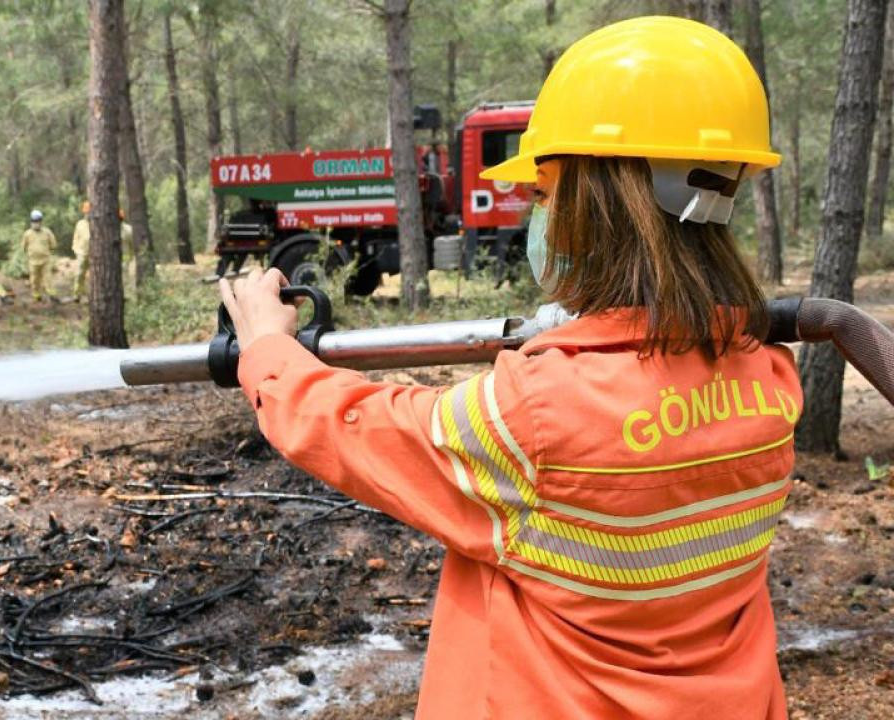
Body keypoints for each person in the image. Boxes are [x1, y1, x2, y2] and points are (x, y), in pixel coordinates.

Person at [219, 16, 802, 719]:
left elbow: (358, 428)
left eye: (547, 194)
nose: (537, 215)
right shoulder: (767, 379)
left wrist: (267, 349)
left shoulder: (534, 415)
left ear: (602, 200)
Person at [20, 209, 57, 303]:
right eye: (34, 221)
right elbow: (23, 247)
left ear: (41, 221)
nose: (36, 223)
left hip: (45, 260)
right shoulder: (27, 234)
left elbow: (53, 245)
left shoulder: (47, 232)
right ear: (31, 222)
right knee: (34, 280)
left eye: (38, 221)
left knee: (48, 279)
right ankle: (36, 296)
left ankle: (52, 296)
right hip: (33, 261)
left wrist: (48, 253)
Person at [72, 201, 91, 301]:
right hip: (81, 253)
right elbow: (75, 238)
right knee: (79, 274)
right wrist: (75, 249)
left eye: (89, 212)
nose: (87, 214)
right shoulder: (80, 224)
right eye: (86, 212)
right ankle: (77, 294)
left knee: (93, 277)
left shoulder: (97, 224)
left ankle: (90, 295)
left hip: (94, 254)